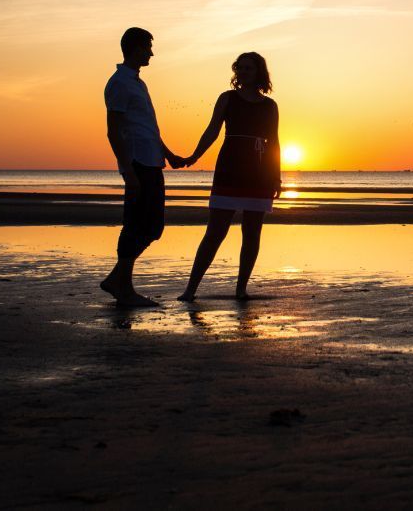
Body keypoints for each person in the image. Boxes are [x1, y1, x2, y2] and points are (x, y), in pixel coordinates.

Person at [178, 51, 281, 301]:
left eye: (249, 68)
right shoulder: (227, 98)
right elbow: (212, 130)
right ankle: (190, 290)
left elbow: (275, 141)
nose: (244, 72)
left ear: (259, 72)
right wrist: (193, 156)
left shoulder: (270, 105)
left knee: (252, 233)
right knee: (215, 232)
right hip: (230, 167)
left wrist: (276, 176)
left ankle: (241, 289)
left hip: (259, 171)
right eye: (240, 68)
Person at [100, 27, 185, 306]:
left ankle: (118, 279)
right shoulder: (119, 83)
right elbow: (114, 131)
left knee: (152, 227)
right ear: (135, 48)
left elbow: (148, 128)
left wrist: (169, 154)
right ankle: (123, 286)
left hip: (152, 161)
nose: (151, 52)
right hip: (137, 163)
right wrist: (128, 171)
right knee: (136, 225)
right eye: (148, 47)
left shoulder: (138, 83)